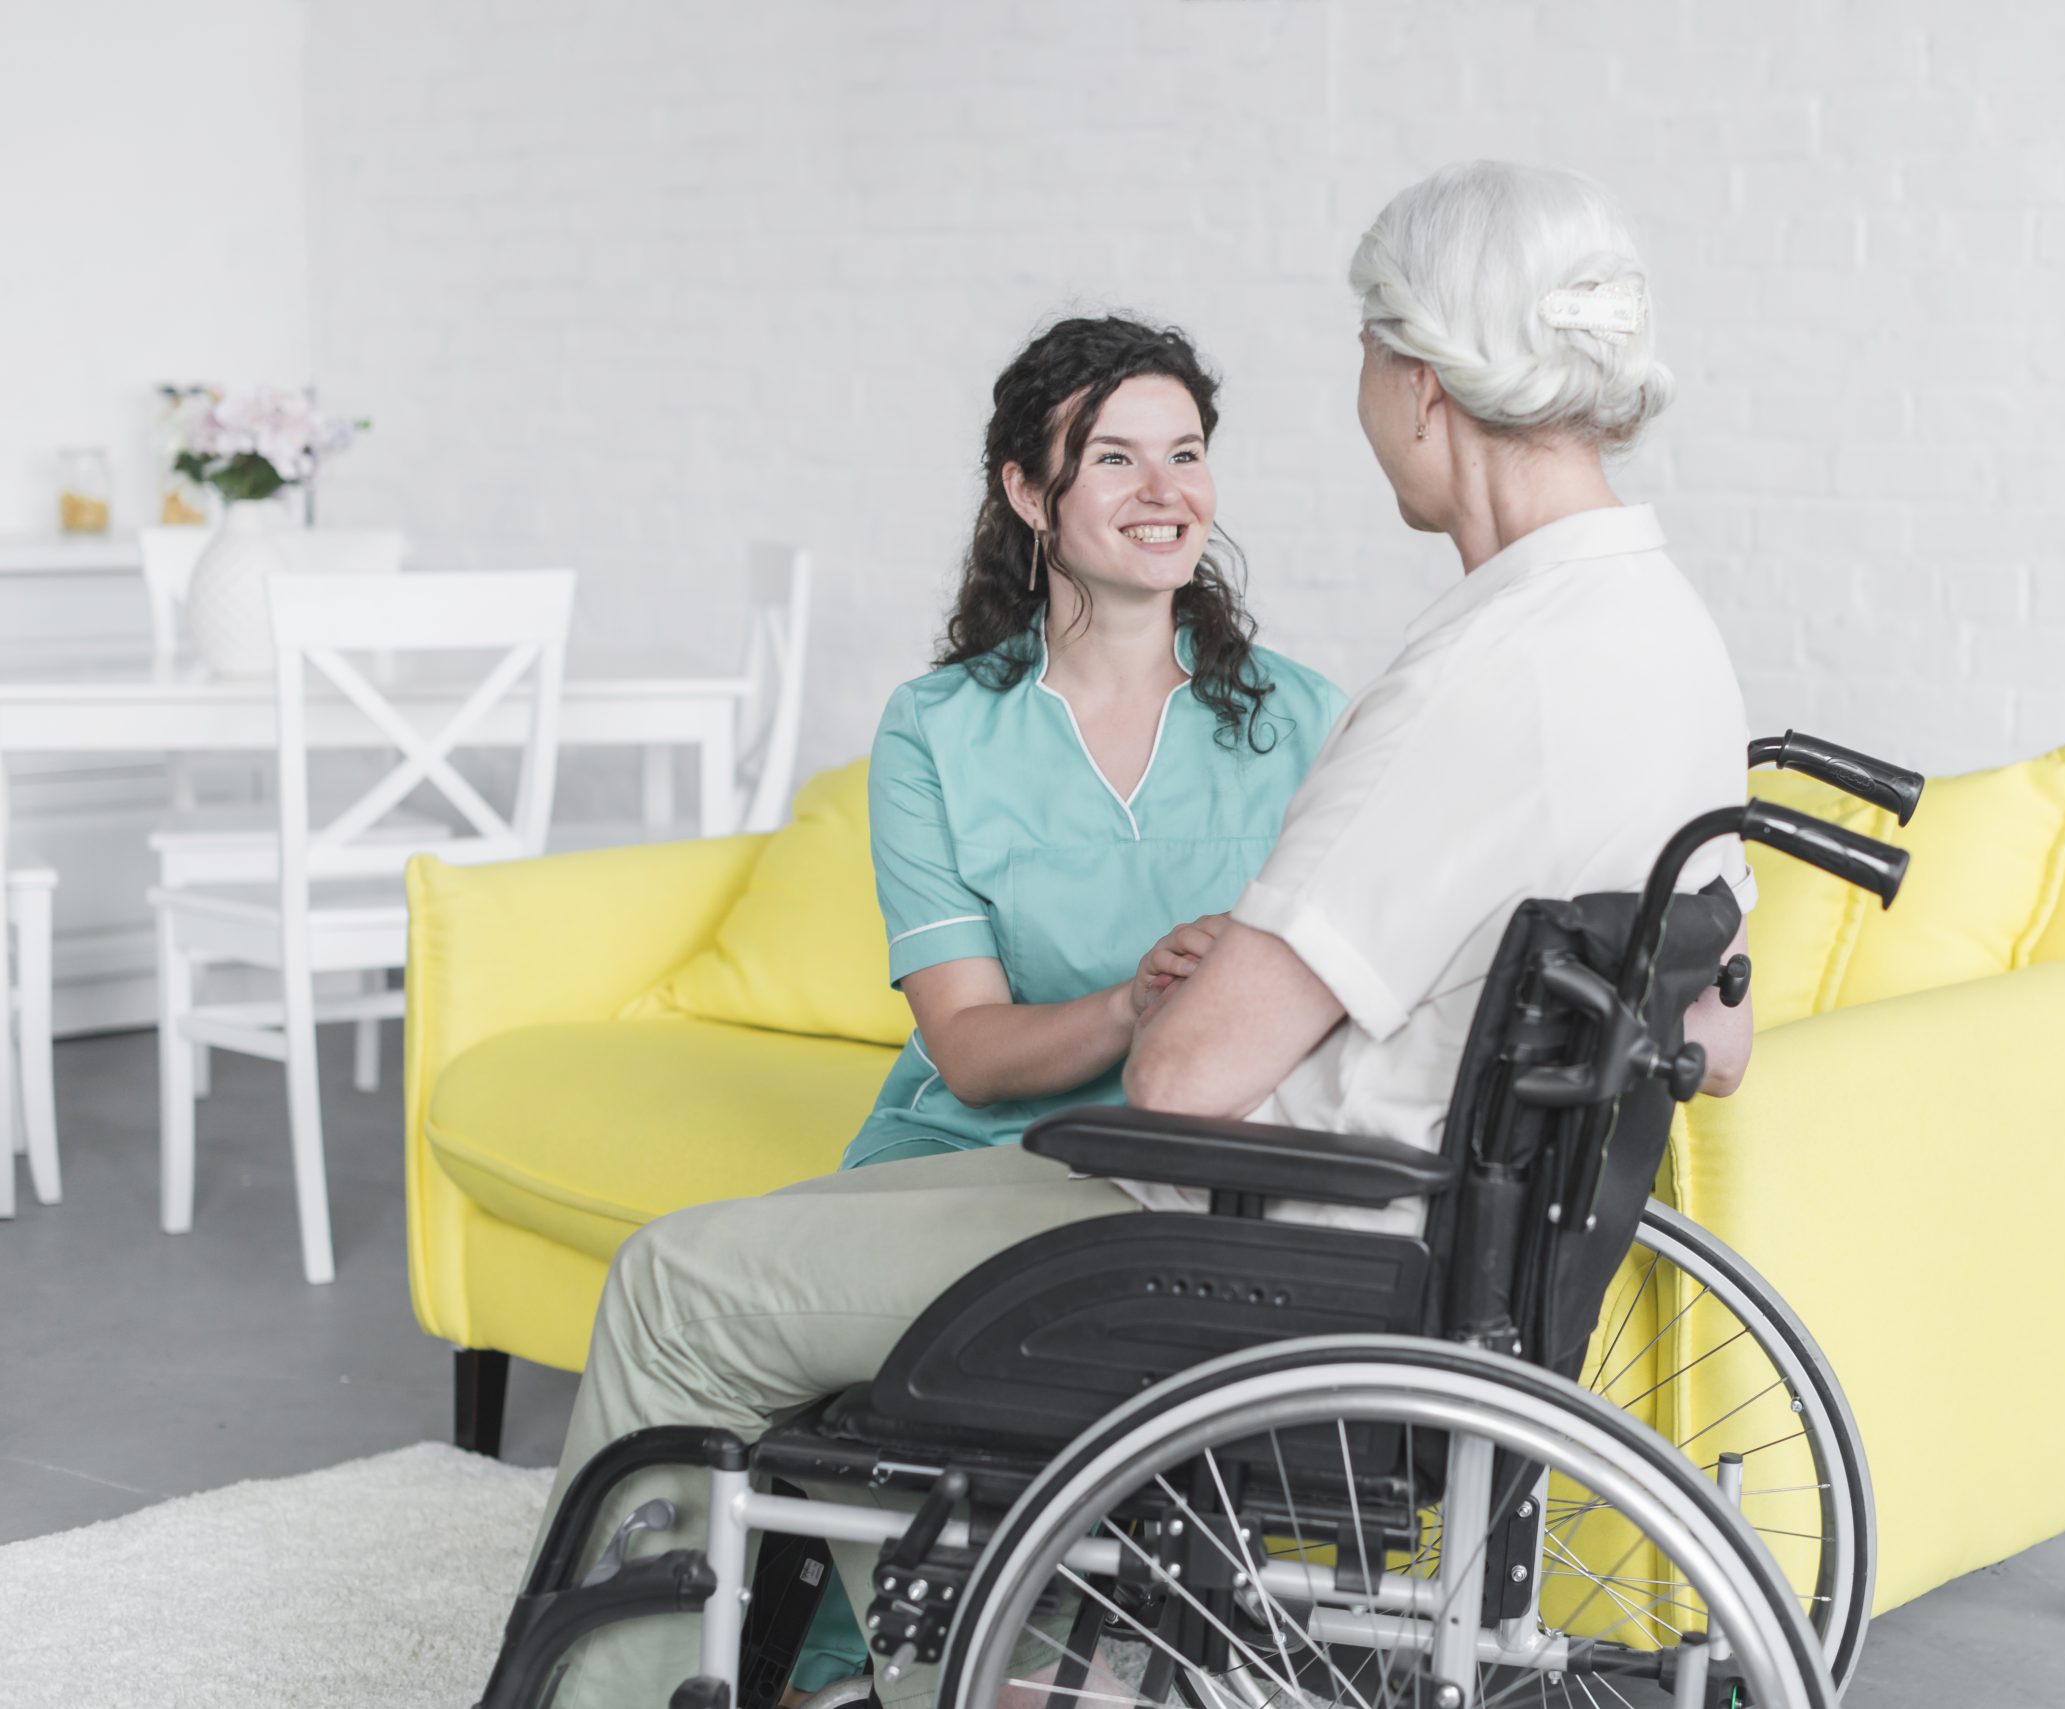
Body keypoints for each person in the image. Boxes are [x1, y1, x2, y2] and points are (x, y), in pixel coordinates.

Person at [509, 160, 1755, 1709]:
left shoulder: (1466, 681)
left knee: (673, 1287)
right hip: (1414, 1241)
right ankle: (980, 1661)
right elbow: (1720, 1032)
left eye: (1366, 359)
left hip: (1254, 1249)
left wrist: (1193, 995)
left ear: (1422, 387)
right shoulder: (1663, 638)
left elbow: (1179, 1080)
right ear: (1033, 496)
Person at [786, 315, 1345, 1698]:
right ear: (1029, 494)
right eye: (1115, 458)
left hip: (1175, 1169)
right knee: (840, 1415)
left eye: (1188, 454)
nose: (1168, 493)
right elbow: (970, 1052)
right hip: (961, 1152)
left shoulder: (1302, 721)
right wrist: (1135, 995)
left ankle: (969, 1663)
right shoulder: (938, 727)